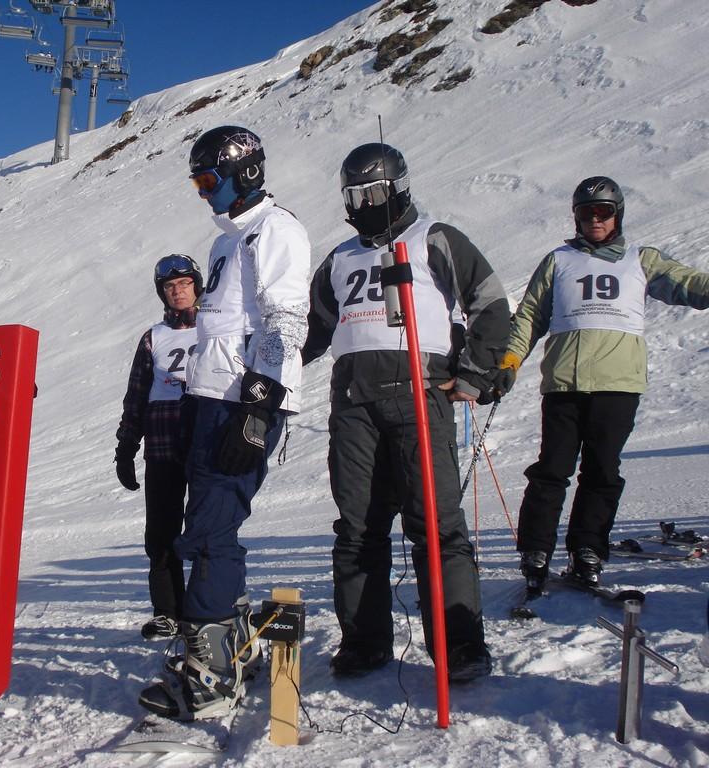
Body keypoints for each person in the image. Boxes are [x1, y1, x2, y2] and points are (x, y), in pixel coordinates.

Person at [302, 143, 510, 682]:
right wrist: (264, 363)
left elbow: (488, 300)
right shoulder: (340, 258)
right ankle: (365, 641)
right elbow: (311, 329)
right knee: (357, 526)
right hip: (354, 403)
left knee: (435, 524)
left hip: (420, 390)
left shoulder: (434, 239)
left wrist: (475, 372)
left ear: (397, 188)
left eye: (373, 193)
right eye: (354, 195)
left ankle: (459, 645)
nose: (364, 204)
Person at [139, 126, 311, 720]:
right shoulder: (224, 244)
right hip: (212, 404)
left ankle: (211, 674)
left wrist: (260, 409)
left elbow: (286, 319)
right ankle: (228, 640)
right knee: (201, 528)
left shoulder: (276, 230)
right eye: (197, 181)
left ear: (246, 173)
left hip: (244, 407)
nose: (202, 192)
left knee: (212, 531)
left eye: (208, 180)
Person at [495, 176, 709, 590]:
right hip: (564, 384)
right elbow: (530, 317)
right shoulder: (558, 261)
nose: (595, 219)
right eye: (586, 212)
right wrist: (510, 359)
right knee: (551, 471)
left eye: (603, 211)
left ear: (617, 214)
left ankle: (587, 549)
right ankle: (536, 549)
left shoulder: (640, 260)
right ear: (576, 217)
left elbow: (688, 284)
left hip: (618, 385)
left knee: (602, 473)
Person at [115, 255, 202, 641]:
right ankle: (168, 611)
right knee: (161, 534)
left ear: (197, 286)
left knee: (205, 531)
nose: (178, 291)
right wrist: (126, 446)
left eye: (184, 283)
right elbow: (136, 395)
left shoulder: (218, 327)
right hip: (163, 447)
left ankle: (205, 609)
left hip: (205, 443)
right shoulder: (153, 337)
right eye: (170, 286)